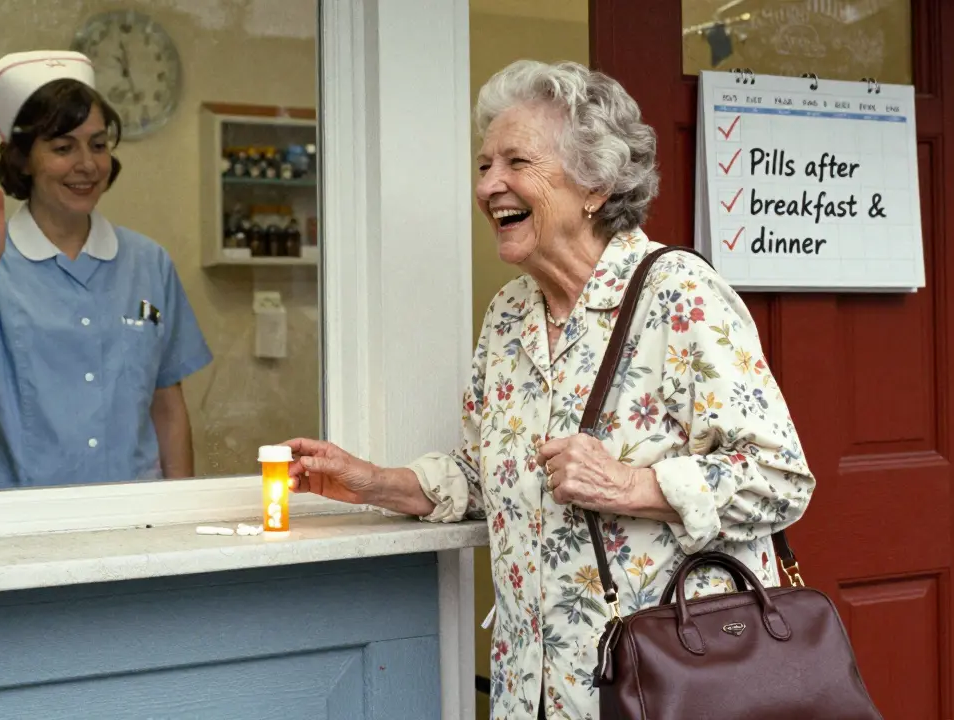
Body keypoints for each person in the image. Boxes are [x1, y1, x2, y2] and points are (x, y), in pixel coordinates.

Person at [281, 60, 816, 720]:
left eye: (516, 162)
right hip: (533, 690)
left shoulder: (678, 295)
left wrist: (634, 485)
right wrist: (370, 482)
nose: (489, 185)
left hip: (671, 687)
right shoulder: (509, 316)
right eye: (483, 165)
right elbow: (483, 479)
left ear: (594, 182)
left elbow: (780, 477)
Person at [0, 51, 212, 491]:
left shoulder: (149, 263)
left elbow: (167, 405)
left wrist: (181, 508)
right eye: (62, 147)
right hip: (16, 524)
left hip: (134, 517)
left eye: (97, 144)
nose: (87, 164)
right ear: (22, 159)